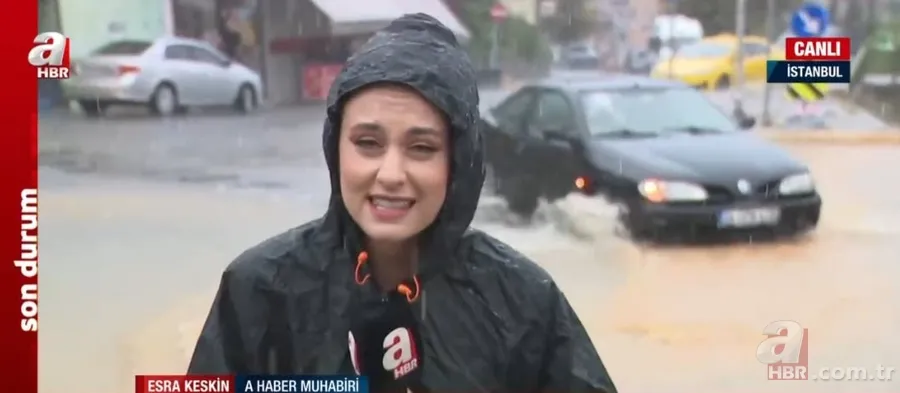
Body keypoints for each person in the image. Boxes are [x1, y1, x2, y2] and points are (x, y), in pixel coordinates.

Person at [187, 13, 617, 393]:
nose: (391, 174)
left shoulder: (523, 302)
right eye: (368, 143)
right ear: (336, 150)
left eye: (422, 148)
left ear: (458, 163)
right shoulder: (259, 290)